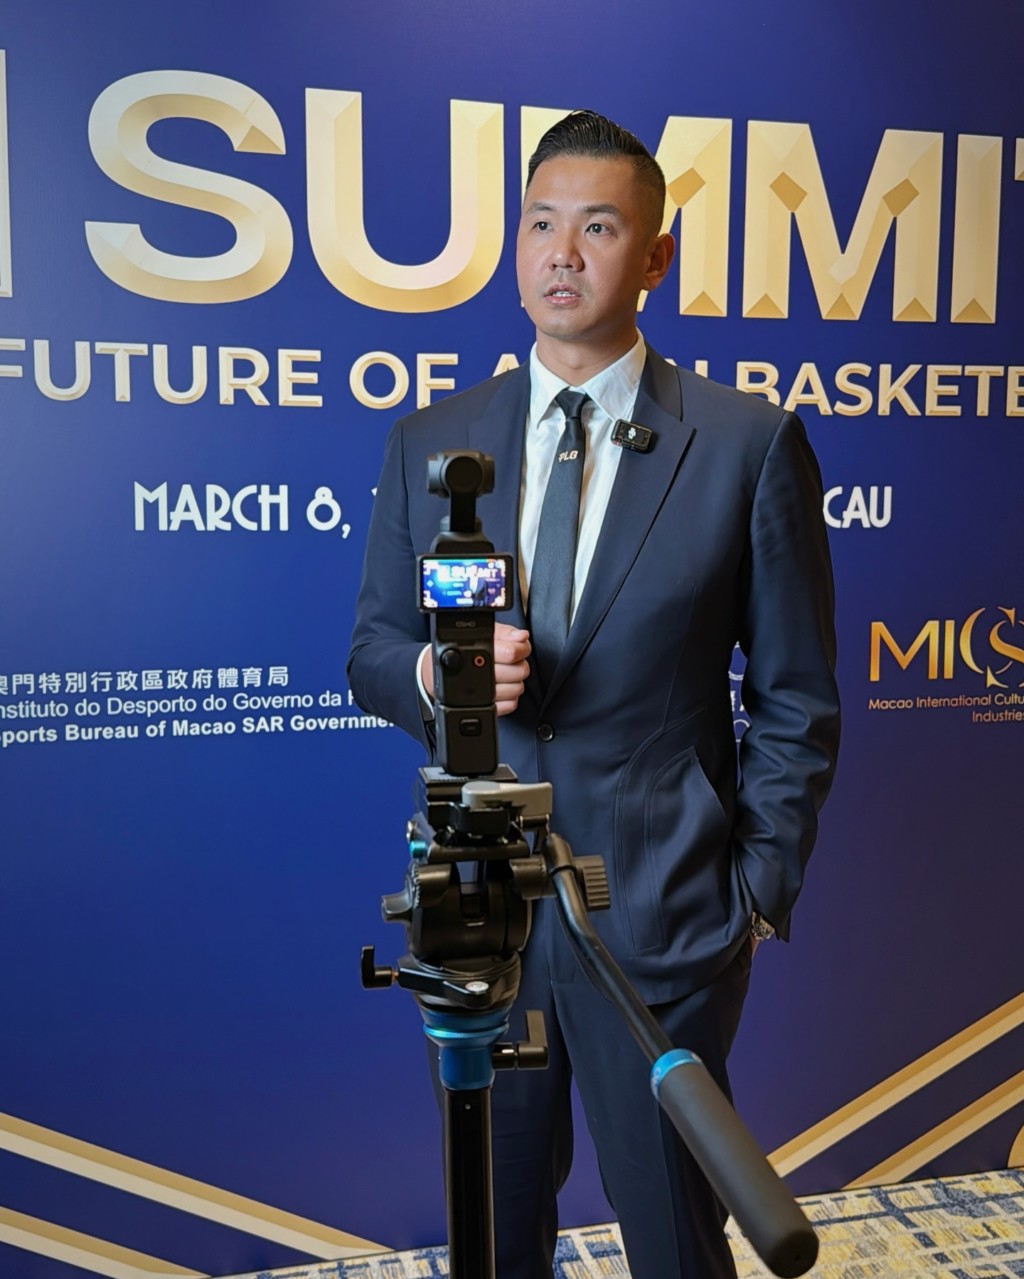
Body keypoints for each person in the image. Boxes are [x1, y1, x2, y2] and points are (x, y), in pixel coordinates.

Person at [348, 110, 840, 1279]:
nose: (561, 254)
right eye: (540, 225)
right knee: (493, 1229)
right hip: (482, 917)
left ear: (654, 256)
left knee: (675, 1238)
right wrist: (436, 675)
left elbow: (795, 700)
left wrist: (753, 893)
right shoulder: (431, 438)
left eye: (599, 227)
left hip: (666, 917)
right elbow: (371, 647)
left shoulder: (746, 444)